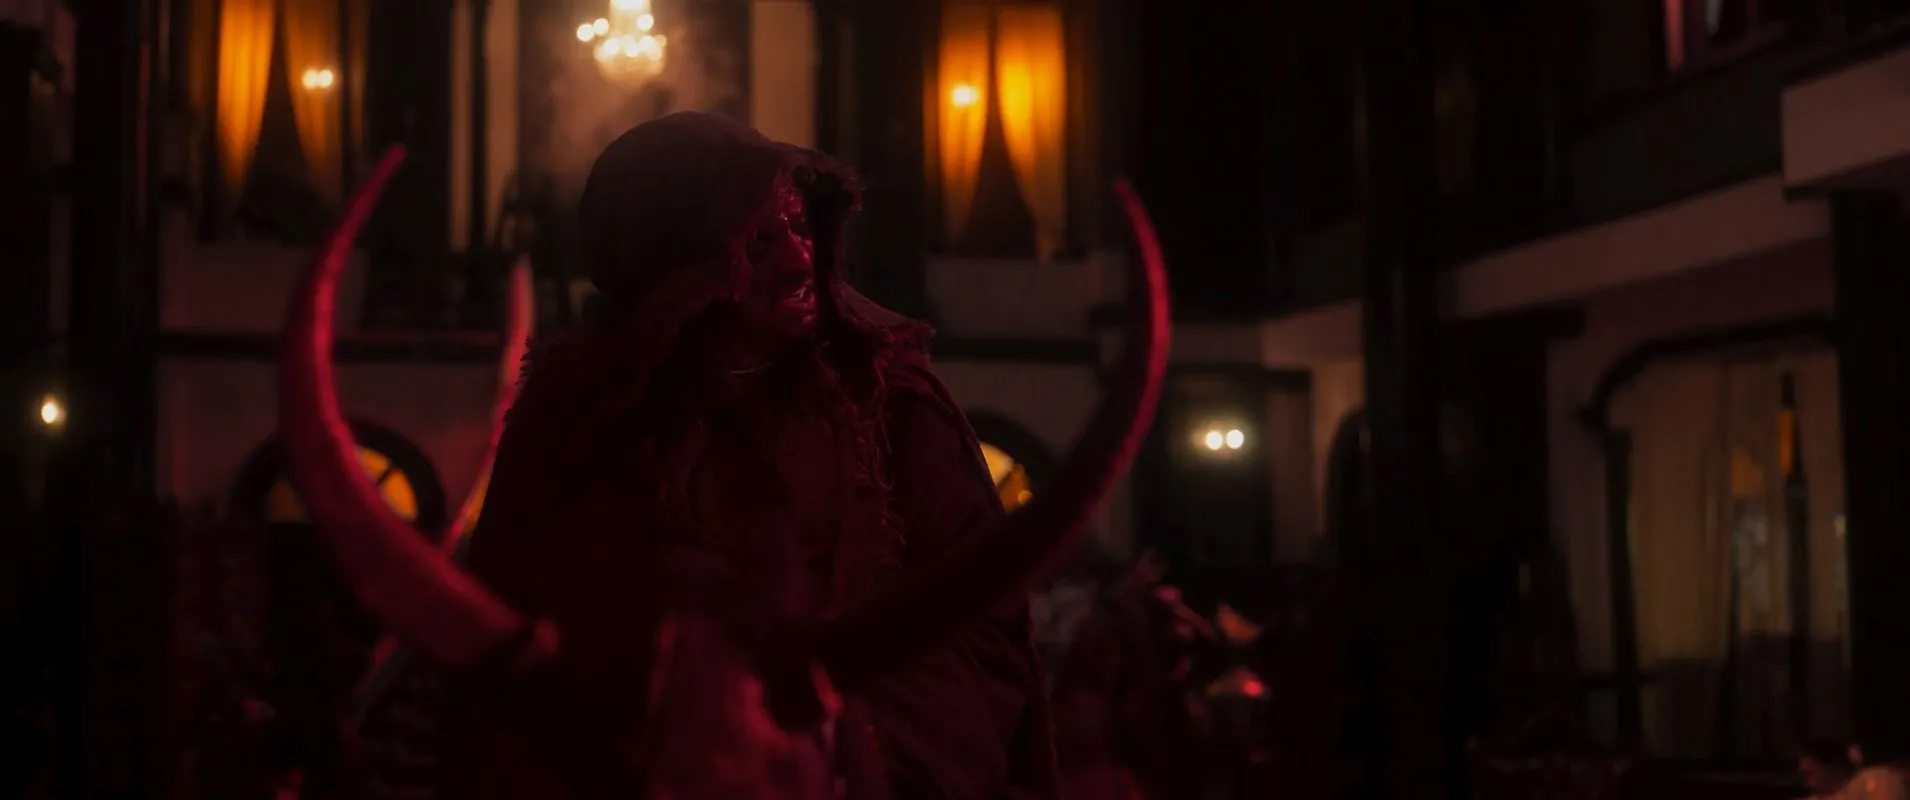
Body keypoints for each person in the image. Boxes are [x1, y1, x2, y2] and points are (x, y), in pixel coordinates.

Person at [444, 112, 1058, 797]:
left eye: (799, 227)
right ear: (676, 268)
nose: (798, 259)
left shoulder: (886, 401)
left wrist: (848, 741)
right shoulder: (579, 413)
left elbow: (979, 628)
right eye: (760, 240)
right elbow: (504, 628)